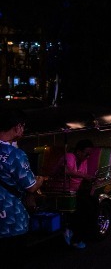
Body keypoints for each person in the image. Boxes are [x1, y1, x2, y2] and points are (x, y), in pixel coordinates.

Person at [0, 110, 47, 266]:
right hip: (11, 220)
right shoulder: (15, 155)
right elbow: (31, 187)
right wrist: (39, 180)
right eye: (23, 127)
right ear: (17, 127)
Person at [63, 139, 96, 249]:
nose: (88, 156)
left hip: (77, 191)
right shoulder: (69, 157)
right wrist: (84, 176)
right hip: (64, 190)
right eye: (86, 154)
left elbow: (83, 177)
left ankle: (83, 235)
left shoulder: (83, 161)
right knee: (83, 209)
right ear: (78, 152)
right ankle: (74, 236)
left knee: (93, 204)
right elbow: (66, 171)